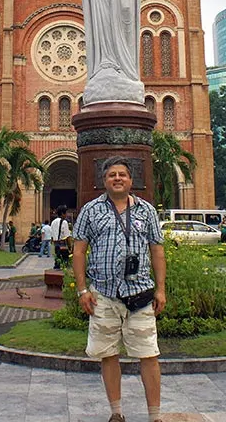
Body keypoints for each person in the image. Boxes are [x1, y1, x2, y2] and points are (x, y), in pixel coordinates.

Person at [73, 156, 166, 422]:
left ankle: (155, 416)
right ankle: (116, 413)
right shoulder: (91, 210)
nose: (117, 178)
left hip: (140, 295)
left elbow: (157, 251)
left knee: (149, 354)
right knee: (108, 354)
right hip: (103, 294)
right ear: (104, 180)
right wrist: (82, 290)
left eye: (122, 174)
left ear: (130, 180)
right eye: (112, 175)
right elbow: (79, 251)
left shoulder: (146, 211)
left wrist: (161, 289)